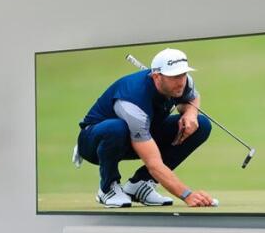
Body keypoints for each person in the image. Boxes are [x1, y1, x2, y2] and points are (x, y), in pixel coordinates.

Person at [76, 48, 217, 208]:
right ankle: (107, 188)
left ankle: (141, 184)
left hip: (139, 132)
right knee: (116, 128)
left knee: (201, 124)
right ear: (157, 76)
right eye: (174, 76)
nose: (181, 81)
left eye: (183, 74)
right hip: (95, 142)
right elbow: (153, 162)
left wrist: (191, 113)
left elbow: (193, 97)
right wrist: (187, 195)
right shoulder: (133, 102)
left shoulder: (184, 83)